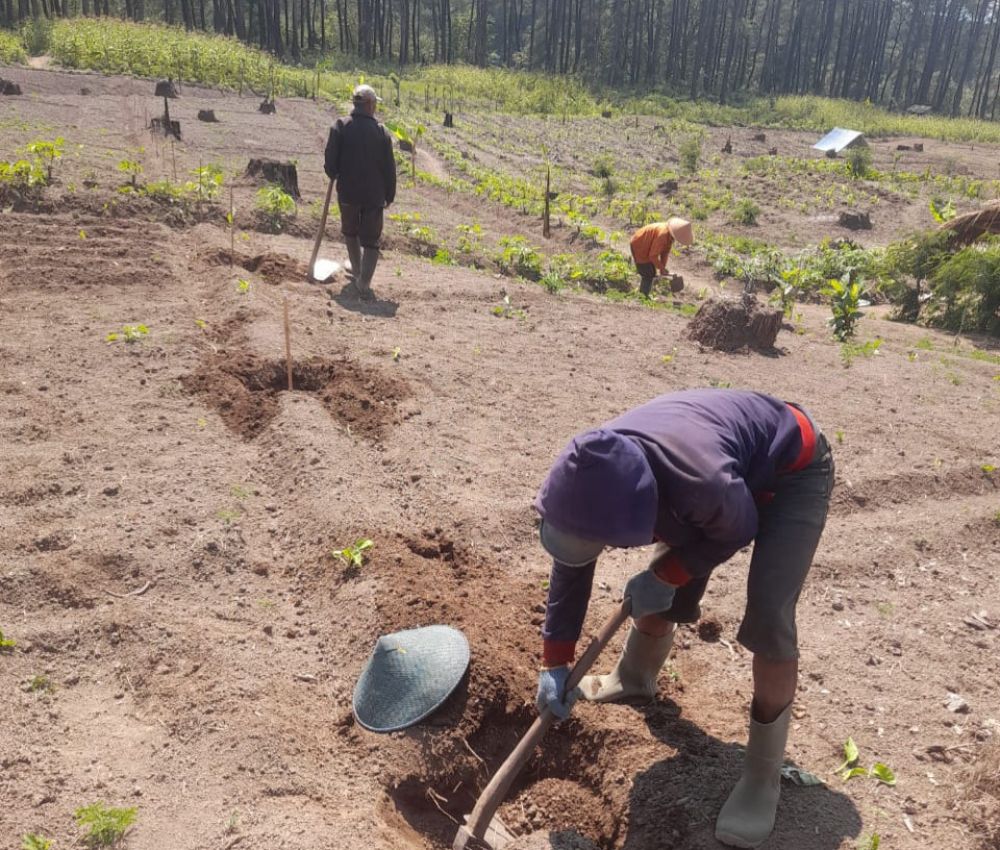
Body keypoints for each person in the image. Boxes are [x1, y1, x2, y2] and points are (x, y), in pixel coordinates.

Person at [533, 389, 835, 849]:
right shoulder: (592, 472)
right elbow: (572, 565)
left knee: (769, 617)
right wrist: (555, 661)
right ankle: (635, 676)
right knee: (660, 579)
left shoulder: (702, 481)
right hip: (708, 474)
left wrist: (671, 572)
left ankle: (762, 777)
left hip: (793, 470)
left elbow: (737, 527)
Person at [324, 84, 397, 301]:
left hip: (347, 192)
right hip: (374, 196)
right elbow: (389, 168)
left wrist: (334, 174)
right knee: (371, 240)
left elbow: (330, 163)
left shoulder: (340, 126)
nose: (375, 108)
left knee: (350, 232)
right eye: (374, 104)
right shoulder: (381, 132)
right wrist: (389, 194)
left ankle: (357, 272)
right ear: (369, 105)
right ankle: (363, 281)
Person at [629, 217, 693, 296]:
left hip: (646, 244)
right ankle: (642, 296)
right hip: (639, 244)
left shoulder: (669, 235)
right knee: (647, 273)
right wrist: (662, 268)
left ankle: (644, 295)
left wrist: (662, 269)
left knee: (651, 271)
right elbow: (653, 256)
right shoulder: (662, 235)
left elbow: (665, 253)